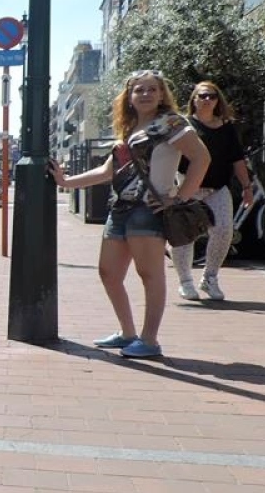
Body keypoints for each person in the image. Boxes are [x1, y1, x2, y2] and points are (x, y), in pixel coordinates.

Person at [47, 70, 210, 359]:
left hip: (149, 210)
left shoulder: (171, 123)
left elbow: (201, 157)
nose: (145, 94)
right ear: (129, 97)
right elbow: (109, 171)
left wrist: (179, 197)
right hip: (121, 208)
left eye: (151, 89)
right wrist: (66, 182)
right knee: (108, 273)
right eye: (139, 90)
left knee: (149, 274)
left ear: (162, 95)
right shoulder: (130, 128)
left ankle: (149, 340)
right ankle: (127, 333)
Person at [170, 82, 251, 302]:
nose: (207, 100)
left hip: (217, 188)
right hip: (187, 187)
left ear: (218, 100)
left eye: (212, 96)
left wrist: (247, 187)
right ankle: (185, 282)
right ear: (193, 99)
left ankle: (210, 278)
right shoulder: (183, 125)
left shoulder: (227, 128)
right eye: (202, 96)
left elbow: (237, 160)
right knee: (184, 235)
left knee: (224, 230)